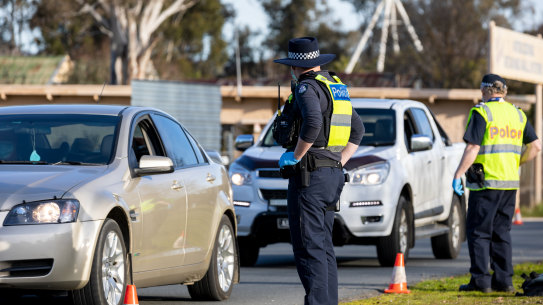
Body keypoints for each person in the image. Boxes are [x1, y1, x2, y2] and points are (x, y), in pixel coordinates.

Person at [273, 36, 364, 305]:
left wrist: (295, 155)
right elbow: (357, 130)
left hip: (309, 178)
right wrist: (339, 161)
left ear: (294, 66)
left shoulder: (306, 89)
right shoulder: (336, 88)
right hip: (332, 176)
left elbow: (312, 122)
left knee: (308, 248)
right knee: (323, 248)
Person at [452, 74, 541, 293]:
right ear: (504, 91)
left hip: (486, 184)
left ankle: (481, 281)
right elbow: (536, 146)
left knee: (479, 232)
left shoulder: (482, 112)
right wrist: (515, 162)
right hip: (509, 184)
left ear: (485, 90)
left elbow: (472, 147)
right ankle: (504, 281)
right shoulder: (517, 114)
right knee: (502, 232)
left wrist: (458, 174)